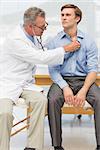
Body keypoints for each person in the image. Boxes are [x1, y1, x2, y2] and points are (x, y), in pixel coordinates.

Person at [0, 7, 80, 150]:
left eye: (45, 24)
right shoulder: (15, 39)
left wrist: (62, 37)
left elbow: (42, 47)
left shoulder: (32, 36)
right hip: (8, 84)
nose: (44, 28)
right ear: (30, 26)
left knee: (41, 101)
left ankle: (32, 146)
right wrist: (66, 48)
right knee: (4, 113)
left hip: (25, 84)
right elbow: (39, 57)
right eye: (42, 26)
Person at [46, 4, 100, 150]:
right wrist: (65, 87)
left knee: (99, 99)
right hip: (62, 79)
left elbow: (93, 70)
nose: (64, 17)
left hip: (85, 80)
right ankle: (57, 145)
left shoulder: (88, 41)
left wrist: (83, 91)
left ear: (77, 18)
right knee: (52, 99)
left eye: (68, 15)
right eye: (62, 15)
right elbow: (53, 69)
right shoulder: (54, 41)